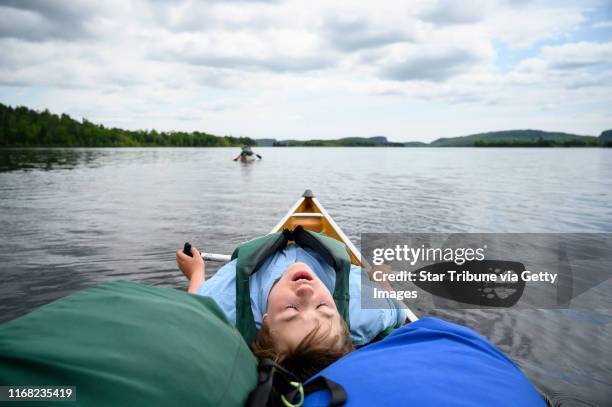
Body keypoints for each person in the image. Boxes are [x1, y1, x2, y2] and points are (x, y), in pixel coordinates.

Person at [176, 244, 406, 380]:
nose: (306, 292)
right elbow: (396, 307)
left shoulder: (223, 304)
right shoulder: (365, 315)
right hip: (320, 258)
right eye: (323, 307)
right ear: (342, 315)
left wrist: (196, 271)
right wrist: (381, 278)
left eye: (291, 309)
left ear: (265, 322)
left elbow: (196, 299)